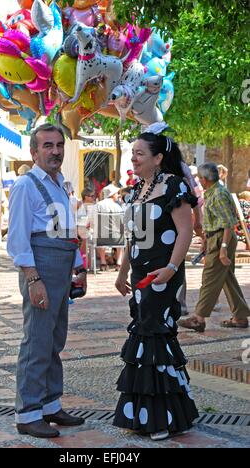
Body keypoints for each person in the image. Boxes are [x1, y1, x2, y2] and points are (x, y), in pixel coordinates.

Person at [114, 127, 199, 440]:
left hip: (163, 275)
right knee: (143, 333)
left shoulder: (174, 186)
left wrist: (172, 267)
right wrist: (122, 273)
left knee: (155, 334)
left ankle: (160, 418)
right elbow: (132, 237)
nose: (133, 158)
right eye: (133, 152)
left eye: (139, 153)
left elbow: (186, 232)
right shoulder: (139, 190)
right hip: (139, 275)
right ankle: (146, 413)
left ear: (158, 158)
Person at [7, 124, 87, 439]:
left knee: (54, 341)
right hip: (41, 269)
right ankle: (27, 413)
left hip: (61, 267)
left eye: (58, 145)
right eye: (48, 146)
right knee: (36, 342)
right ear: (34, 152)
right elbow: (17, 238)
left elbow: (66, 230)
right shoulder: (26, 186)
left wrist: (79, 267)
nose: (55, 151)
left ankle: (50, 405)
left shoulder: (58, 184)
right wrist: (32, 278)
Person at [178, 162, 250, 333]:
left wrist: (223, 248)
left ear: (204, 179)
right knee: (226, 277)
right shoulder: (213, 192)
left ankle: (198, 318)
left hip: (221, 238)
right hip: (215, 237)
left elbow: (227, 224)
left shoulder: (218, 194)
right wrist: (205, 240)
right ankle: (240, 316)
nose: (198, 181)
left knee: (210, 277)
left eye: (199, 178)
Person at [96, 184, 124, 271]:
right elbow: (121, 224)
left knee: (99, 233)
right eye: (116, 193)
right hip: (116, 239)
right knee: (122, 235)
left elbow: (91, 222)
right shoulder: (118, 207)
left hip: (101, 239)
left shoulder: (98, 205)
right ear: (112, 195)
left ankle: (103, 262)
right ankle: (119, 263)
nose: (118, 195)